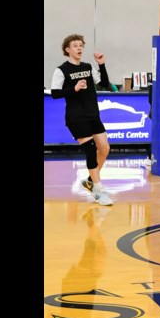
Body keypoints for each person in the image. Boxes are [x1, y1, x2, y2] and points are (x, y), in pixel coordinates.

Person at [50, 34, 114, 206]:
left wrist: (101, 64)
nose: (79, 48)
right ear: (67, 50)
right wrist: (74, 88)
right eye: (75, 45)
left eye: (81, 45)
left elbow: (105, 83)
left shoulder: (87, 66)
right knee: (91, 149)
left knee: (105, 148)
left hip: (93, 114)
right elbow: (55, 93)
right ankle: (98, 190)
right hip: (76, 117)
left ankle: (90, 181)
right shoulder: (61, 70)